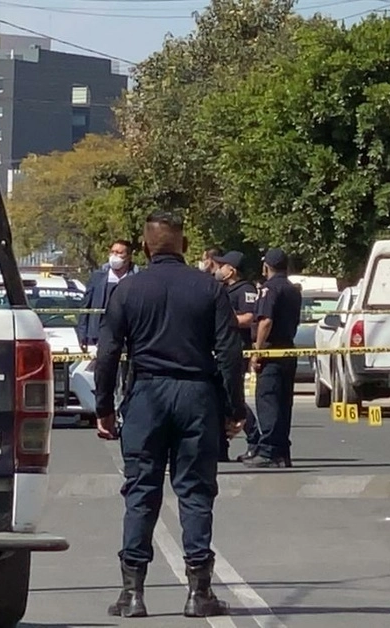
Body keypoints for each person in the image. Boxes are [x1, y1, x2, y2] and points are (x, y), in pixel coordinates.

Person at [94, 211, 245, 619]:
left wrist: (103, 407)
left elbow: (107, 353)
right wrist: (235, 408)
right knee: (195, 492)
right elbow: (230, 353)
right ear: (185, 245)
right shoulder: (209, 289)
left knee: (141, 491)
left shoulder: (128, 290)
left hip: (146, 395)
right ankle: (199, 592)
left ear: (144, 247)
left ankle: (132, 594)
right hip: (197, 395)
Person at [246, 248, 302, 469]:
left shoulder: (269, 289)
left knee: (268, 401)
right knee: (283, 404)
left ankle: (269, 451)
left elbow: (265, 321)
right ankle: (282, 452)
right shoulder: (293, 289)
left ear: (266, 266)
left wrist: (257, 351)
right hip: (288, 349)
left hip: (271, 351)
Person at [212, 250, 261, 463]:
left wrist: (225, 317)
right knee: (220, 398)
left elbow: (249, 317)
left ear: (231, 270)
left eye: (222, 265)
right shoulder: (224, 289)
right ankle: (221, 446)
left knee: (234, 397)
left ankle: (255, 438)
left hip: (237, 349)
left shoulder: (245, 289)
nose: (218, 269)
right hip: (221, 349)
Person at [76, 239, 139, 352]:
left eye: (119, 253)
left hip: (128, 341)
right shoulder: (97, 278)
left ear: (129, 256)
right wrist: (82, 335)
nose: (115, 256)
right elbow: (85, 307)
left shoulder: (137, 279)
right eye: (112, 252)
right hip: (98, 339)